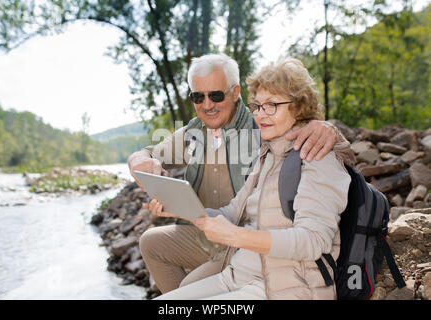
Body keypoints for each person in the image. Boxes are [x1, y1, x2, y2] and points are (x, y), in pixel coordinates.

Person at [129, 53, 355, 294]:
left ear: (235, 93)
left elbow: (313, 236)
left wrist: (327, 129)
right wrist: (173, 202)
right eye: (198, 96)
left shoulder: (269, 133)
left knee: (188, 287)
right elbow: (147, 154)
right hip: (225, 246)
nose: (207, 104)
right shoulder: (211, 137)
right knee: (152, 244)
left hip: (258, 260)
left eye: (216, 95)